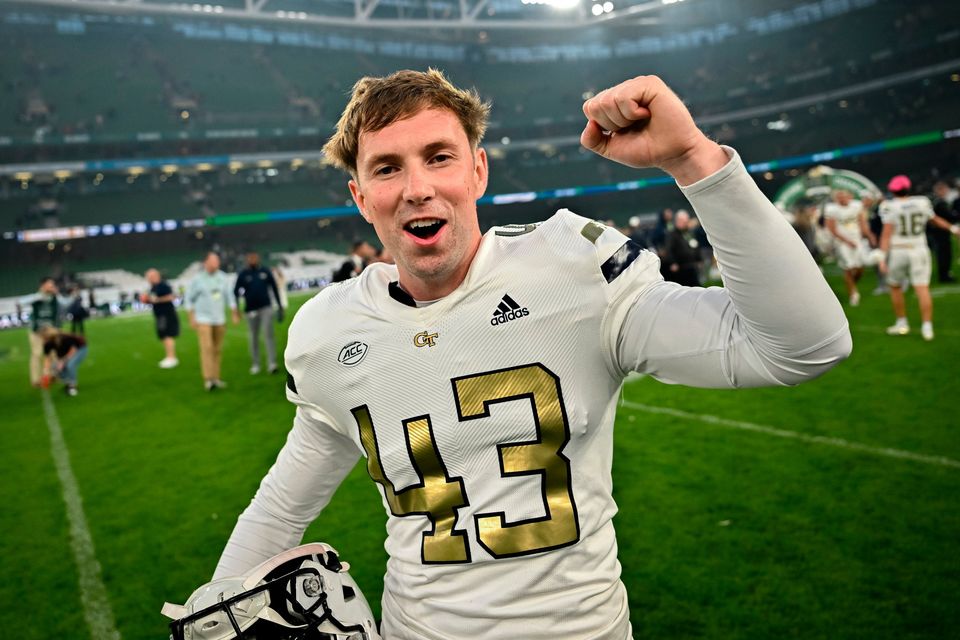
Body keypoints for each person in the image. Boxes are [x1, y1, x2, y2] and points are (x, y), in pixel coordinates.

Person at [211, 70, 851, 639]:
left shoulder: (572, 268)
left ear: (478, 171)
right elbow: (281, 507)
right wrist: (217, 610)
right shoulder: (328, 329)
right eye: (387, 168)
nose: (417, 188)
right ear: (359, 196)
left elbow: (801, 347)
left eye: (439, 157)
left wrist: (695, 161)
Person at [878, 175, 960, 341]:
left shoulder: (888, 206)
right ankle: (927, 327)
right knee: (922, 288)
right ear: (908, 188)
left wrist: (881, 257)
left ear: (892, 190)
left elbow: (886, 234)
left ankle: (902, 323)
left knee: (895, 286)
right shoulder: (921, 202)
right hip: (919, 249)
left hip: (899, 250)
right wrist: (953, 229)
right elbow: (935, 220)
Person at [185, 252, 239, 390]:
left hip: (219, 319)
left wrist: (234, 313)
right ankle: (208, 379)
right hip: (203, 319)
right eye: (213, 261)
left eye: (217, 261)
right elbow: (189, 299)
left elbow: (230, 296)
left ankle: (216, 377)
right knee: (207, 348)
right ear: (206, 263)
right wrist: (191, 318)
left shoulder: (222, 277)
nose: (216, 263)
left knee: (217, 349)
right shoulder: (197, 280)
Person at [823, 189, 877, 306]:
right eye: (839, 196)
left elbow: (862, 223)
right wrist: (846, 241)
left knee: (860, 267)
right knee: (848, 267)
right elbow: (831, 229)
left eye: (844, 196)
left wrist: (869, 235)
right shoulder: (831, 209)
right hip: (842, 242)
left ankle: (852, 284)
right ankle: (853, 293)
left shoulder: (857, 206)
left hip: (856, 240)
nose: (842, 198)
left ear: (850, 196)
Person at [234, 252, 284, 375]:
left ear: (258, 258)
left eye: (254, 257)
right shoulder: (243, 274)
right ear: (247, 259)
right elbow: (235, 291)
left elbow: (274, 288)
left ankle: (272, 363)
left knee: (268, 334)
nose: (253, 259)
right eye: (250, 257)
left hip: (266, 307)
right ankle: (255, 364)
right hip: (250, 310)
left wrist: (280, 306)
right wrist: (237, 309)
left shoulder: (265, 271)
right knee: (253, 337)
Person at [143, 268, 180, 368]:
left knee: (167, 335)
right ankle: (169, 356)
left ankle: (171, 357)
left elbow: (171, 297)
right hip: (159, 314)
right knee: (163, 335)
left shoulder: (164, 285)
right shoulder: (153, 287)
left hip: (166, 314)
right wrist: (147, 300)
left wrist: (157, 300)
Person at [27, 277, 60, 387]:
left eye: (53, 285)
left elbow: (65, 303)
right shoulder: (36, 297)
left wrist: (57, 294)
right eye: (50, 285)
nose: (52, 287)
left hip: (50, 328)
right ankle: (36, 380)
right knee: (37, 353)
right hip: (37, 330)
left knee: (54, 352)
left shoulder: (54, 297)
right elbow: (21, 301)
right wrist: (40, 295)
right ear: (43, 285)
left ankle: (52, 375)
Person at [40, 327, 88, 397]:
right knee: (55, 366)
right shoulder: (47, 344)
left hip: (80, 349)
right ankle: (68, 383)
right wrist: (45, 371)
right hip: (66, 353)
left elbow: (73, 350)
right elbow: (47, 358)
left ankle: (73, 386)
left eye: (45, 338)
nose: (44, 340)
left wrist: (62, 361)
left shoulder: (64, 338)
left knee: (70, 365)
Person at [662, 209, 702, 286]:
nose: (686, 223)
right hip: (680, 267)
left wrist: (698, 258)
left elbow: (695, 246)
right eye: (683, 221)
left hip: (692, 265)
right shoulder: (672, 234)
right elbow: (669, 249)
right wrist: (672, 262)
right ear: (678, 221)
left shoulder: (689, 233)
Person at [931, 180, 959, 283]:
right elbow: (948, 217)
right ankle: (944, 275)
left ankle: (945, 274)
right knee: (944, 254)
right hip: (941, 232)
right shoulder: (940, 203)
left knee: (944, 253)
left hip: (939, 232)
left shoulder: (938, 202)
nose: (947, 191)